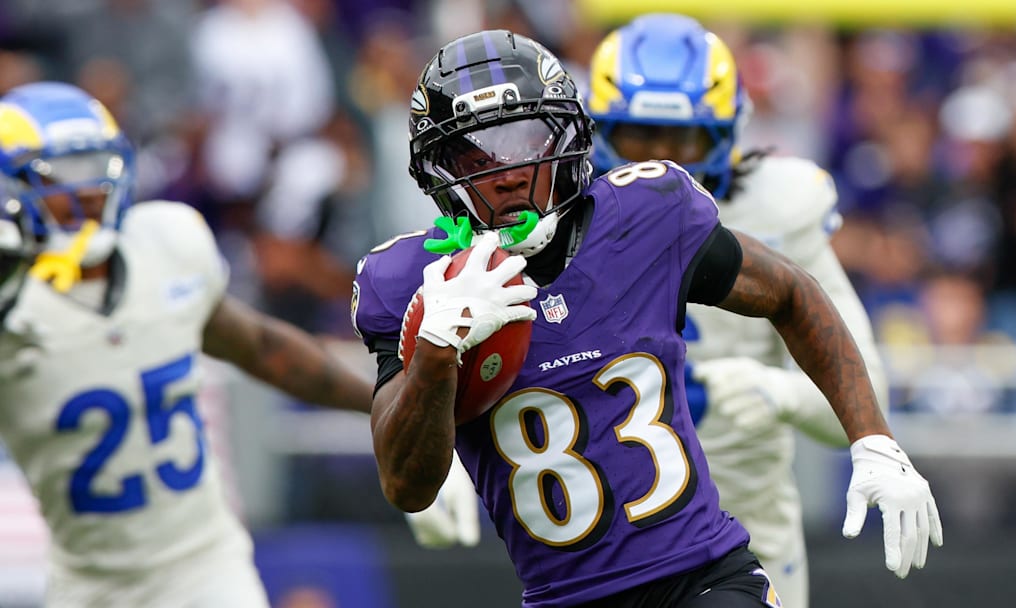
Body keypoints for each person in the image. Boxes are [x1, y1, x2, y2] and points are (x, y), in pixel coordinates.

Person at [352, 30, 941, 608]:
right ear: (438, 171)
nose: (506, 171)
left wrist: (874, 441)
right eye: (475, 154)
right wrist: (434, 354)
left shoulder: (645, 215)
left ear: (565, 135)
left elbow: (790, 292)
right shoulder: (408, 284)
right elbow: (407, 487)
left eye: (524, 139)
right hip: (564, 596)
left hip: (703, 575)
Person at [0, 82, 374, 607]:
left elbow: (264, 348)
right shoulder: (11, 308)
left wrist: (386, 409)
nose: (86, 192)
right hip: (86, 586)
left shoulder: (167, 244)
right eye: (59, 176)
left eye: (93, 168)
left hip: (204, 570)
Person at [583, 14, 890, 608]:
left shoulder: (778, 207)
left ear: (727, 134)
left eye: (684, 140)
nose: (663, 162)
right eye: (641, 136)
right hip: (602, 541)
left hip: (745, 537)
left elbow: (866, 392)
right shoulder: (566, 217)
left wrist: (775, 392)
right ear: (599, 134)